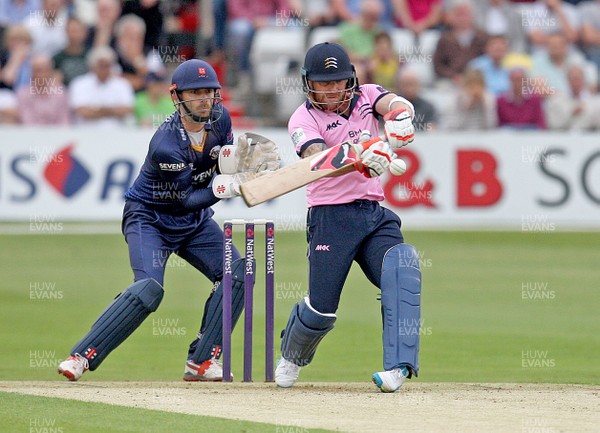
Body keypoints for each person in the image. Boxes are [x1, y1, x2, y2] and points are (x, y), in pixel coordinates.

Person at [57, 58, 279, 382]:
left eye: (210, 92)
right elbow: (186, 198)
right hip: (150, 218)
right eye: (196, 93)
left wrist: (240, 164)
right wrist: (229, 186)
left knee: (240, 273)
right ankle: (82, 355)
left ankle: (202, 361)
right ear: (177, 97)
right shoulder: (167, 144)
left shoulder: (221, 120)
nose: (204, 99)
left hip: (193, 221)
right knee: (149, 289)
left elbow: (223, 161)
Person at [275, 42, 422, 393]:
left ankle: (399, 367)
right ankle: (292, 355)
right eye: (323, 83)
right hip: (330, 217)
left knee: (402, 270)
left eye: (338, 82)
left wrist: (401, 116)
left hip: (373, 213)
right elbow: (316, 160)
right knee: (321, 311)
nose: (331, 90)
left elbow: (394, 103)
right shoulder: (303, 118)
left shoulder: (367, 95)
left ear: (350, 80)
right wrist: (357, 158)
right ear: (308, 83)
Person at [69, 46, 134, 127]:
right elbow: (82, 112)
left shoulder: (123, 84)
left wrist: (97, 110)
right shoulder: (79, 84)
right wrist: (112, 111)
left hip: (116, 134)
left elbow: (127, 110)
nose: (104, 70)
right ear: (92, 66)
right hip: (86, 133)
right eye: (101, 66)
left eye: (107, 66)